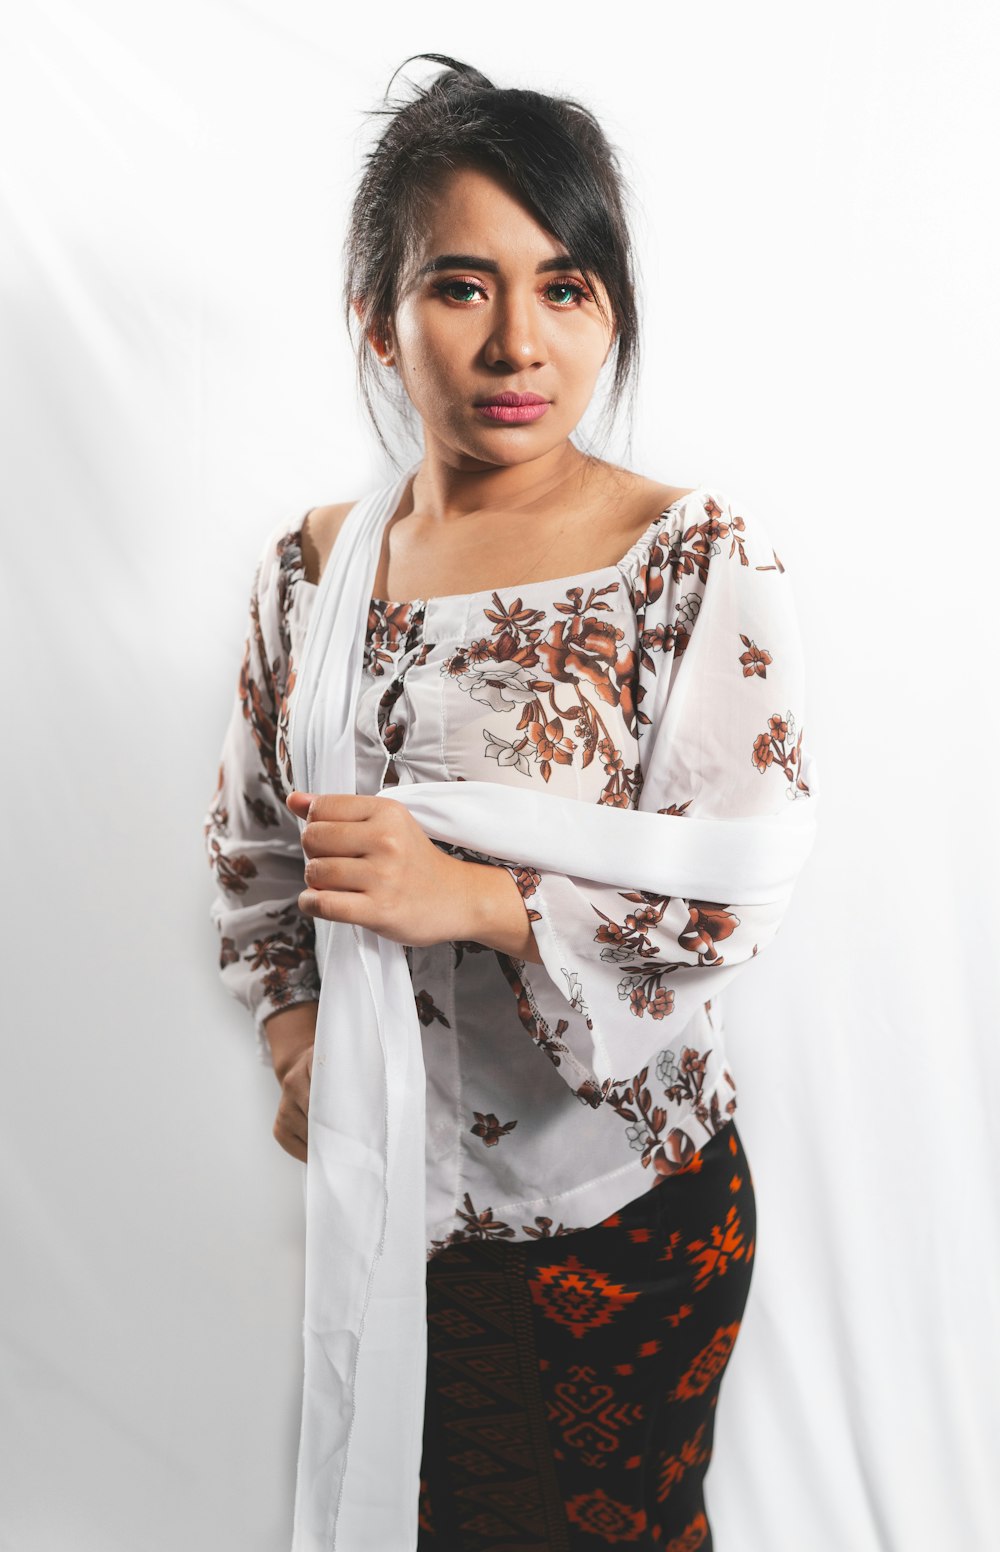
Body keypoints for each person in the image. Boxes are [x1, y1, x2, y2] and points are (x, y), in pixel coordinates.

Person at [204, 54, 817, 1552]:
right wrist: (300, 1051)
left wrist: (474, 897)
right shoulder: (314, 570)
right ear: (379, 315)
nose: (516, 341)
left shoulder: (680, 557)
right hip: (397, 1217)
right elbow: (257, 861)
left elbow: (743, 881)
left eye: (566, 285)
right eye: (462, 287)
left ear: (609, 306)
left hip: (625, 1213)